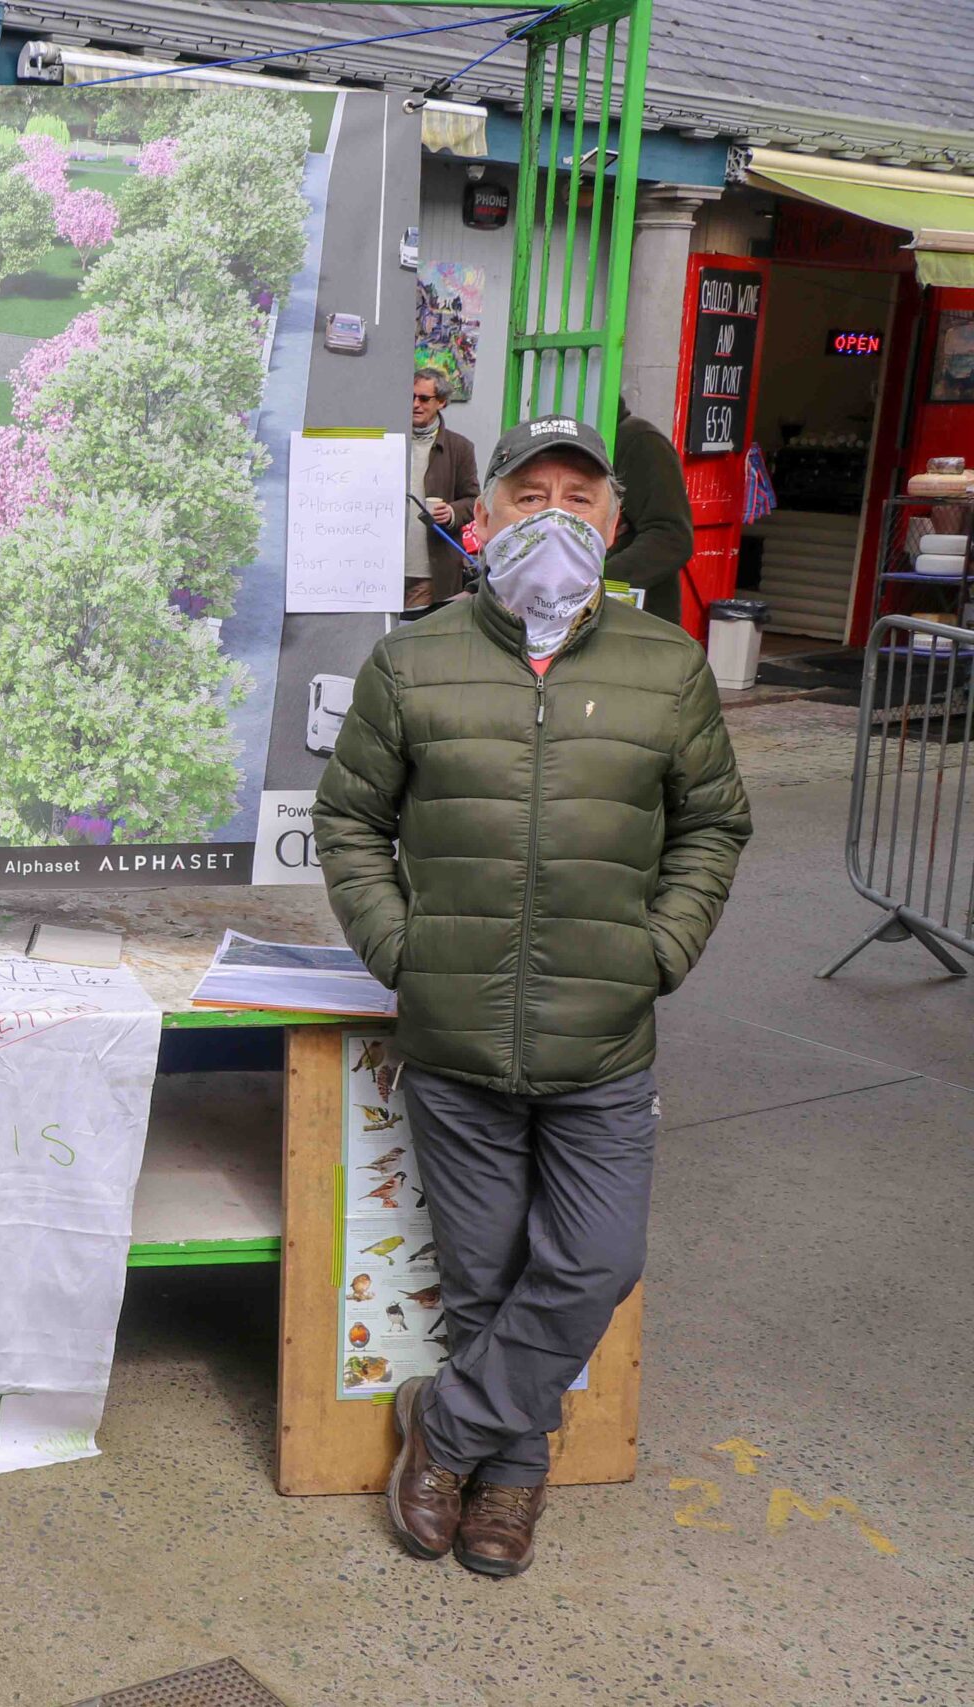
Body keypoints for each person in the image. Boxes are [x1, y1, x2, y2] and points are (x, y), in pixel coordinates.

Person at [312, 415, 750, 1580]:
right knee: (485, 1275)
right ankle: (511, 1476)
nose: (553, 515)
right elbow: (349, 820)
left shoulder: (666, 669)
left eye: (579, 497)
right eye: (527, 495)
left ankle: (444, 1429)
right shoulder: (413, 660)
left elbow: (713, 823)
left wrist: (659, 948)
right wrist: (403, 949)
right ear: (479, 518)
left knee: (594, 1261)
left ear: (614, 526)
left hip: (605, 1042)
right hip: (454, 1035)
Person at [606, 397, 696, 624]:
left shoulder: (640, 440)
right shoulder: (567, 446)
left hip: (639, 623)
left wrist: (597, 583)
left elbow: (672, 538)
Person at [406, 366, 480, 605]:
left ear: (442, 402)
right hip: (383, 568)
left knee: (412, 635)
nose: (415, 404)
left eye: (424, 398)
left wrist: (451, 512)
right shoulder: (391, 440)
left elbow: (473, 500)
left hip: (430, 571)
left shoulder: (459, 448)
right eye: (411, 397)